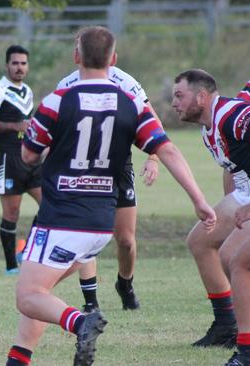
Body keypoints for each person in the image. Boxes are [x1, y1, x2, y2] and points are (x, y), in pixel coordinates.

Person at [5, 26, 216, 366]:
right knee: (42, 291)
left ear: (76, 57)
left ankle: (81, 322)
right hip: (102, 223)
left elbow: (29, 156)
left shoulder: (58, 100)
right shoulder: (131, 103)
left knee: (27, 296)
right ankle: (18, 360)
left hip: (62, 218)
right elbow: (168, 150)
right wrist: (199, 200)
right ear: (113, 60)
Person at [57, 60, 162, 312]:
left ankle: (125, 284)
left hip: (119, 167)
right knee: (87, 234)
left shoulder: (125, 82)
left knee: (125, 240)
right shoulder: (67, 85)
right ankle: (91, 303)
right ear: (77, 53)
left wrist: (153, 157)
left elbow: (151, 119)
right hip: (82, 169)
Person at [170, 70, 250, 364]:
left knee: (237, 260)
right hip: (247, 191)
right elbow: (232, 167)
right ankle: (227, 327)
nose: (173, 103)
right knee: (203, 241)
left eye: (179, 95)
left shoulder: (231, 114)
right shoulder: (210, 126)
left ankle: (249, 345)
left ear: (202, 96)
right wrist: (233, 206)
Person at [0, 45, 38, 274]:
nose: (19, 67)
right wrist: (16, 126)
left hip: (29, 157)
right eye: (15, 63)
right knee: (11, 214)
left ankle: (27, 251)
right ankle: (11, 266)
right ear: (7, 65)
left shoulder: (28, 91)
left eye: (23, 63)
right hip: (7, 158)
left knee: (51, 204)